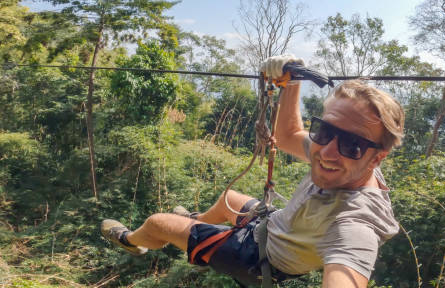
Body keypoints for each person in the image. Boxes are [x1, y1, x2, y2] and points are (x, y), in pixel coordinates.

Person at [101, 54, 405, 287]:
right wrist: (292, 81)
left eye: (351, 145)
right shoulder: (350, 155)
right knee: (228, 198)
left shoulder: (357, 222)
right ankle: (197, 224)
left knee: (157, 223)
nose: (325, 152)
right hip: (275, 226)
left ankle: (132, 241)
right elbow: (286, 136)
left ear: (378, 158)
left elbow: (348, 267)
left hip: (260, 259)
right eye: (324, 131)